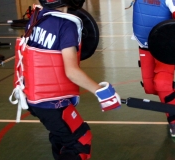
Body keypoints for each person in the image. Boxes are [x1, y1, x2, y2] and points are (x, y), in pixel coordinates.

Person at [9, 0, 121, 159]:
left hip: (31, 97)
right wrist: (102, 92)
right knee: (80, 141)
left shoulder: (36, 16)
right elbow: (71, 71)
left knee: (61, 137)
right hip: (52, 103)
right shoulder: (66, 25)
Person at [128, 0, 175, 137]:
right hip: (145, 45)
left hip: (165, 47)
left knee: (162, 84)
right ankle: (172, 89)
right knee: (150, 88)